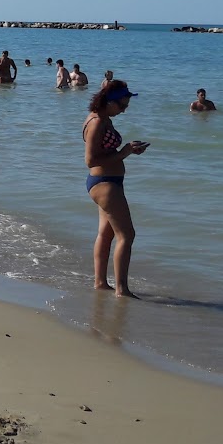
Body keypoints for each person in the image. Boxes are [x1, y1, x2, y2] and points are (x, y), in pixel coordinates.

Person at [83, 78, 149, 297]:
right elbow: (91, 160)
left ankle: (100, 283)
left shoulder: (103, 119)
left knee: (106, 234)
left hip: (108, 183)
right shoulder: (97, 122)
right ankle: (122, 289)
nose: (124, 110)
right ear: (109, 102)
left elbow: (105, 153)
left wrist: (128, 151)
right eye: (121, 106)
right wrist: (125, 152)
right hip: (105, 184)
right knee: (127, 235)